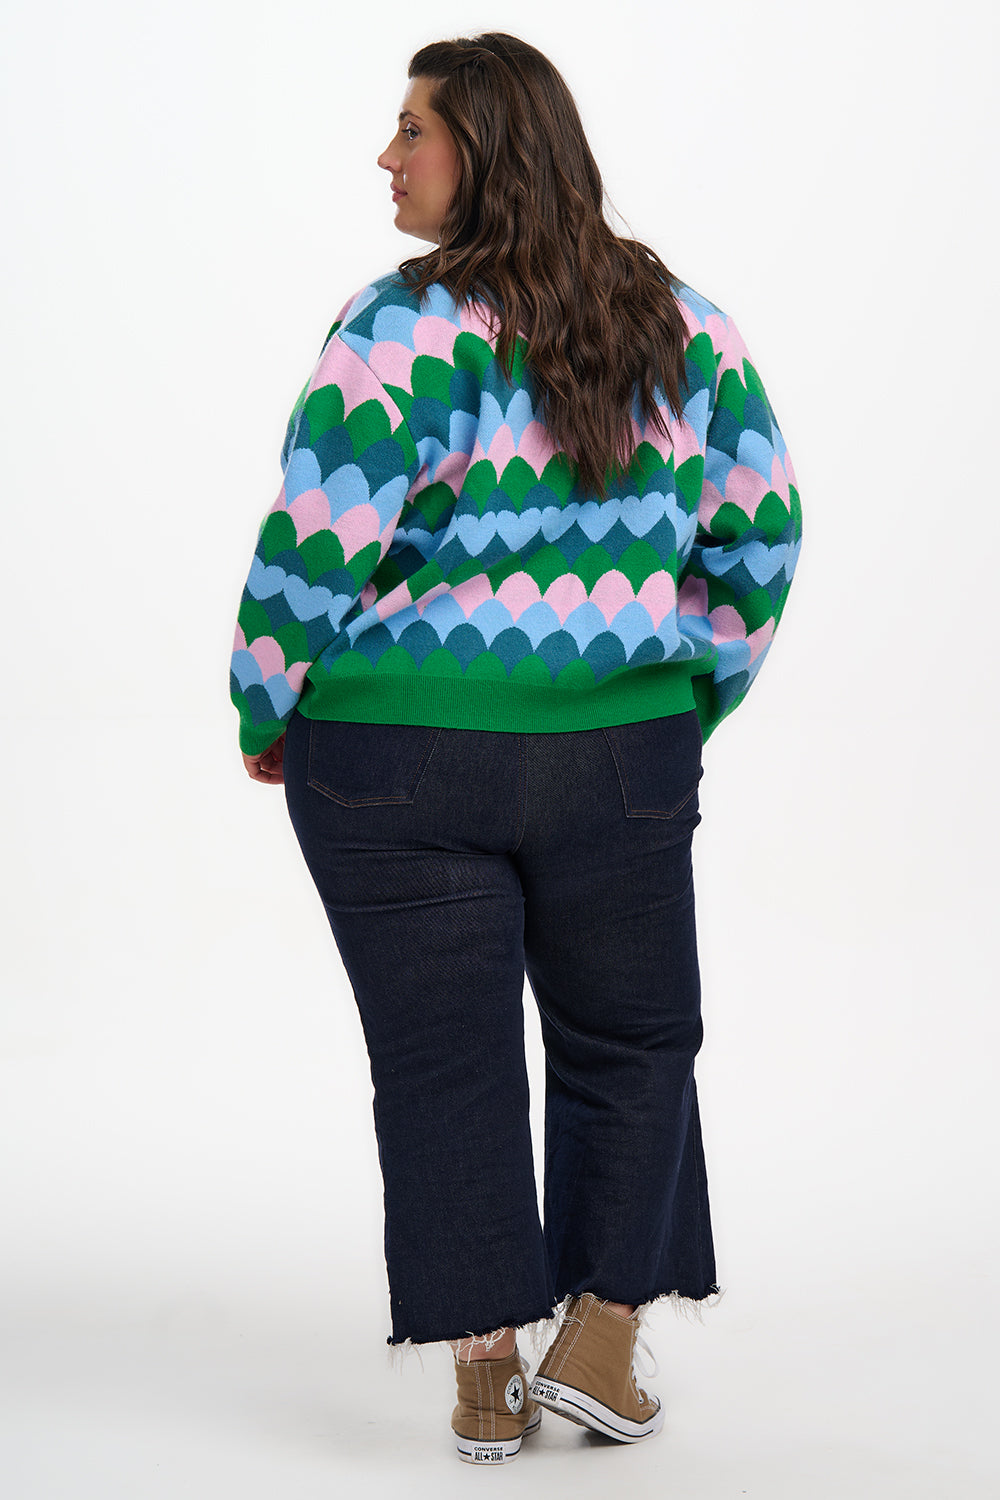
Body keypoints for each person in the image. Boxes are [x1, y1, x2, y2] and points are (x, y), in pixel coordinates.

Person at [231, 32, 801, 1466]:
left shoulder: (392, 330)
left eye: (411, 129)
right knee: (635, 1036)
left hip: (394, 756)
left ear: (483, 148)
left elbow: (315, 542)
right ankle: (600, 1338)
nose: (388, 156)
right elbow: (765, 531)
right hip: (616, 749)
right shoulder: (681, 325)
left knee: (444, 1059)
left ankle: (488, 1371)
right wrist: (684, 697)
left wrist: (265, 698)